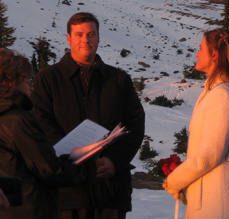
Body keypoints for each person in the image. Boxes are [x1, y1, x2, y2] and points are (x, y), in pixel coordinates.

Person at [31, 12, 145, 219]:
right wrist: (71, 157)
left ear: (99, 37)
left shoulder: (119, 79)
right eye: (79, 34)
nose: (86, 40)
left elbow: (134, 125)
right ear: (68, 38)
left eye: (91, 34)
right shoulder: (48, 79)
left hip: (110, 191)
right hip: (66, 192)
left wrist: (114, 161)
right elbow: (41, 123)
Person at [163, 28, 229, 218]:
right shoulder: (216, 91)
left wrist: (175, 180)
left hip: (221, 206)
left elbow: (208, 155)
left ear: (214, 55)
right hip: (214, 202)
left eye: (201, 48)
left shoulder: (222, 95)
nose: (197, 54)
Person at [0, 48, 98, 219]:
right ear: (11, 82)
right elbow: (48, 169)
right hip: (30, 208)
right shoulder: (18, 121)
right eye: (25, 81)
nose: (29, 87)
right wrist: (88, 169)